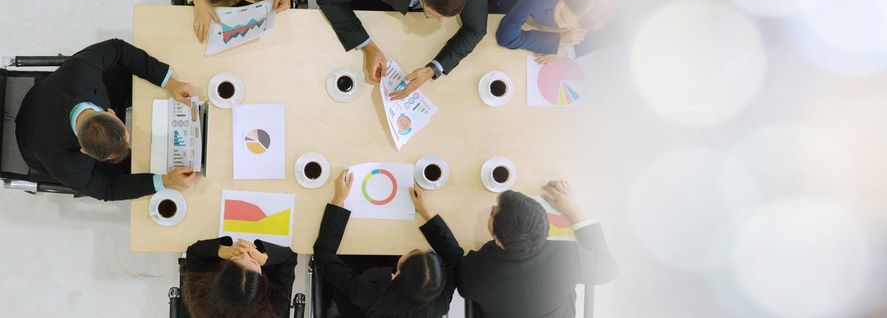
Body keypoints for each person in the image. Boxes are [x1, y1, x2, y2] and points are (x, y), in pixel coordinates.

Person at [15, 39, 198, 201]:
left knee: (121, 77)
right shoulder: (66, 165)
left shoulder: (83, 70)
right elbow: (108, 189)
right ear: (84, 151)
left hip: (44, 96)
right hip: (31, 143)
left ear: (111, 112)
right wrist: (164, 181)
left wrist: (169, 82)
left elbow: (117, 48)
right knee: (124, 171)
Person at [317, 0, 488, 100]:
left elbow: (476, 28)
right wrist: (368, 47)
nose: (439, 22)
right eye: (431, 14)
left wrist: (433, 69)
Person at [313, 170, 463, 317]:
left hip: (359, 285)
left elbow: (324, 255)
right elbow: (455, 256)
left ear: (398, 273)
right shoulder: (438, 306)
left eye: (412, 252)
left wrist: (338, 200)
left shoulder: (365, 293)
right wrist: (427, 212)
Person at [458, 181, 618, 318]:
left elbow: (462, 283)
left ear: (499, 242)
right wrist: (575, 212)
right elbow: (609, 269)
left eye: (493, 213)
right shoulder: (567, 257)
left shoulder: (475, 271)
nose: (492, 208)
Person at [495, 0, 609, 64]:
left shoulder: (588, 12)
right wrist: (558, 40)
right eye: (562, 16)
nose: (560, 25)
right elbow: (506, 37)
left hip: (537, 18)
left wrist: (567, 51)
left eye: (571, 27)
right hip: (513, 2)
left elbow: (604, 37)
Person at [182, 237, 298, 318]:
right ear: (262, 283)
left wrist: (223, 251)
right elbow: (289, 257)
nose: (245, 254)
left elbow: (194, 253)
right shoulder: (274, 309)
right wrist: (265, 258)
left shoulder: (201, 301)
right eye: (253, 263)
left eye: (236, 260)